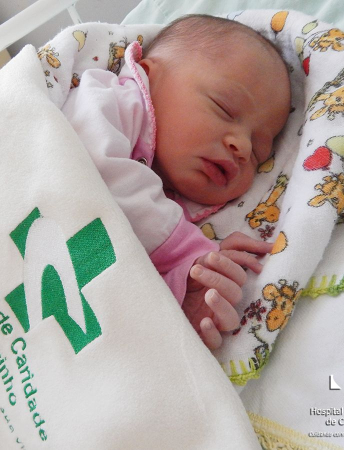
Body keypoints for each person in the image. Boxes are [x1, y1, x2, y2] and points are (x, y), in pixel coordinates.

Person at [60, 14, 291, 349]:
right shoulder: (109, 100)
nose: (242, 146)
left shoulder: (170, 208)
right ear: (148, 77)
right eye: (224, 108)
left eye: (258, 152)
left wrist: (186, 285)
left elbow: (114, 280)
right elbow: (91, 167)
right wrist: (187, 250)